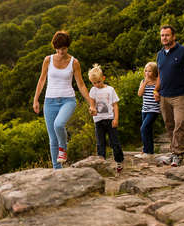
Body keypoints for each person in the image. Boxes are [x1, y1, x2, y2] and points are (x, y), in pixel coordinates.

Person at [33, 30, 96, 169]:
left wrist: (91, 103)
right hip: (49, 102)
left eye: (64, 48)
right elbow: (42, 80)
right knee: (52, 139)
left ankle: (63, 148)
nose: (61, 51)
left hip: (68, 100)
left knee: (59, 125)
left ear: (68, 47)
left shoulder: (74, 62)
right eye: (58, 48)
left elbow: (80, 84)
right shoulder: (48, 60)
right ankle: (57, 170)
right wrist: (36, 99)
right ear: (54, 47)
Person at [153, 25, 184, 167]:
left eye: (167, 35)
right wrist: (156, 90)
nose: (164, 38)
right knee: (170, 126)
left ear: (173, 36)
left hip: (180, 95)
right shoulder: (160, 54)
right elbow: (160, 75)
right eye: (162, 35)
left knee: (180, 123)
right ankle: (173, 153)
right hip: (164, 96)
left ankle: (178, 154)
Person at [88, 64, 124, 172]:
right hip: (98, 121)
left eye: (98, 82)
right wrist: (92, 110)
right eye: (94, 83)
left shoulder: (110, 90)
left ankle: (119, 161)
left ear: (103, 78)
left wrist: (116, 119)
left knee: (114, 142)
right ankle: (101, 162)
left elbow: (115, 105)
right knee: (100, 143)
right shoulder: (93, 91)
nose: (97, 85)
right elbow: (92, 105)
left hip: (110, 119)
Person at [135, 62, 161, 158]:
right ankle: (150, 151)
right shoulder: (143, 81)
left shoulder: (158, 82)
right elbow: (139, 94)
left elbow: (160, 95)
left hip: (154, 110)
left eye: (149, 71)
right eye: (146, 71)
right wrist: (145, 83)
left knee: (143, 128)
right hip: (145, 109)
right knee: (148, 130)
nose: (147, 73)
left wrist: (158, 96)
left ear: (154, 72)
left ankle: (146, 151)